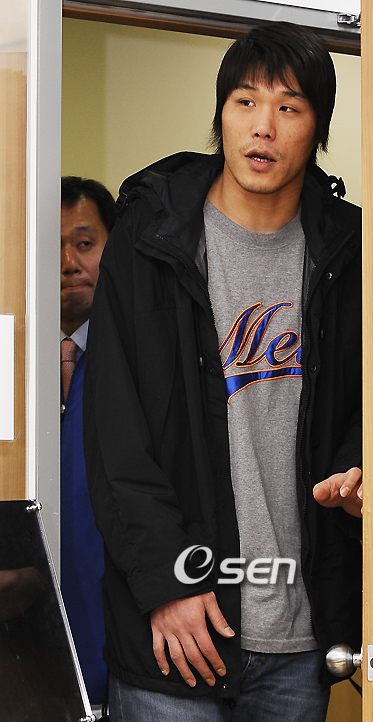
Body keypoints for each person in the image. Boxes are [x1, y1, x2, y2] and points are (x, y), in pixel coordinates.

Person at [84, 21, 362, 722]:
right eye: (246, 102)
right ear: (221, 115)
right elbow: (116, 436)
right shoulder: (149, 240)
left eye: (289, 107)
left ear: (318, 129)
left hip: (300, 635)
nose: (263, 126)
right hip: (178, 629)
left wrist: (361, 466)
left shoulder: (351, 251)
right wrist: (167, 584)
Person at [60, 176, 116, 708]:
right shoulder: (15, 366)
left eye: (84, 243)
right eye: (53, 247)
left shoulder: (137, 361)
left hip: (123, 644)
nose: (68, 263)